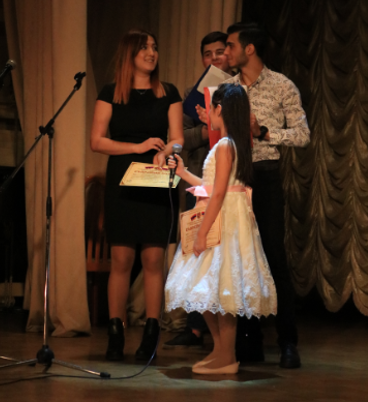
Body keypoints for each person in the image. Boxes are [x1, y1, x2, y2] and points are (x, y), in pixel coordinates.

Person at [165, 83, 277, 375]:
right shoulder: (227, 144)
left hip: (224, 220)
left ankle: (227, 354)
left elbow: (218, 194)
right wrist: (182, 172)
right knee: (206, 287)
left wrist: (202, 232)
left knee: (223, 287)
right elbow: (212, 186)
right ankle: (220, 350)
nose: (208, 116)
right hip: (222, 213)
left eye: (210, 109)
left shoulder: (226, 145)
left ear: (219, 109)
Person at [90, 29, 184, 361]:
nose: (151, 52)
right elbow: (97, 141)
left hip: (157, 178)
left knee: (154, 260)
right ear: (129, 54)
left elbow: (177, 138)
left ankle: (151, 335)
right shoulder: (110, 93)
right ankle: (115, 334)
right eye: (144, 47)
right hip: (123, 180)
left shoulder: (168, 92)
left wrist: (166, 150)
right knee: (121, 260)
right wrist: (138, 147)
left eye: (154, 47)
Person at [222, 22, 311, 368]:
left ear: (249, 49)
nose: (225, 52)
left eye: (230, 45)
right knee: (241, 259)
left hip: (266, 176)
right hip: (234, 179)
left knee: (273, 256)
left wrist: (264, 131)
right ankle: (249, 340)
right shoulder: (227, 88)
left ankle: (288, 341)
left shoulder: (281, 85)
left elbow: (302, 135)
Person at [163, 31, 234, 350]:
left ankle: (229, 338)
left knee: (225, 255)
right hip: (200, 178)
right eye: (208, 54)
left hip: (229, 184)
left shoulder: (237, 92)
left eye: (220, 52)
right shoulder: (193, 95)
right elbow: (181, 137)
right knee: (197, 251)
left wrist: (218, 126)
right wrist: (207, 130)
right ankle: (194, 328)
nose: (215, 58)